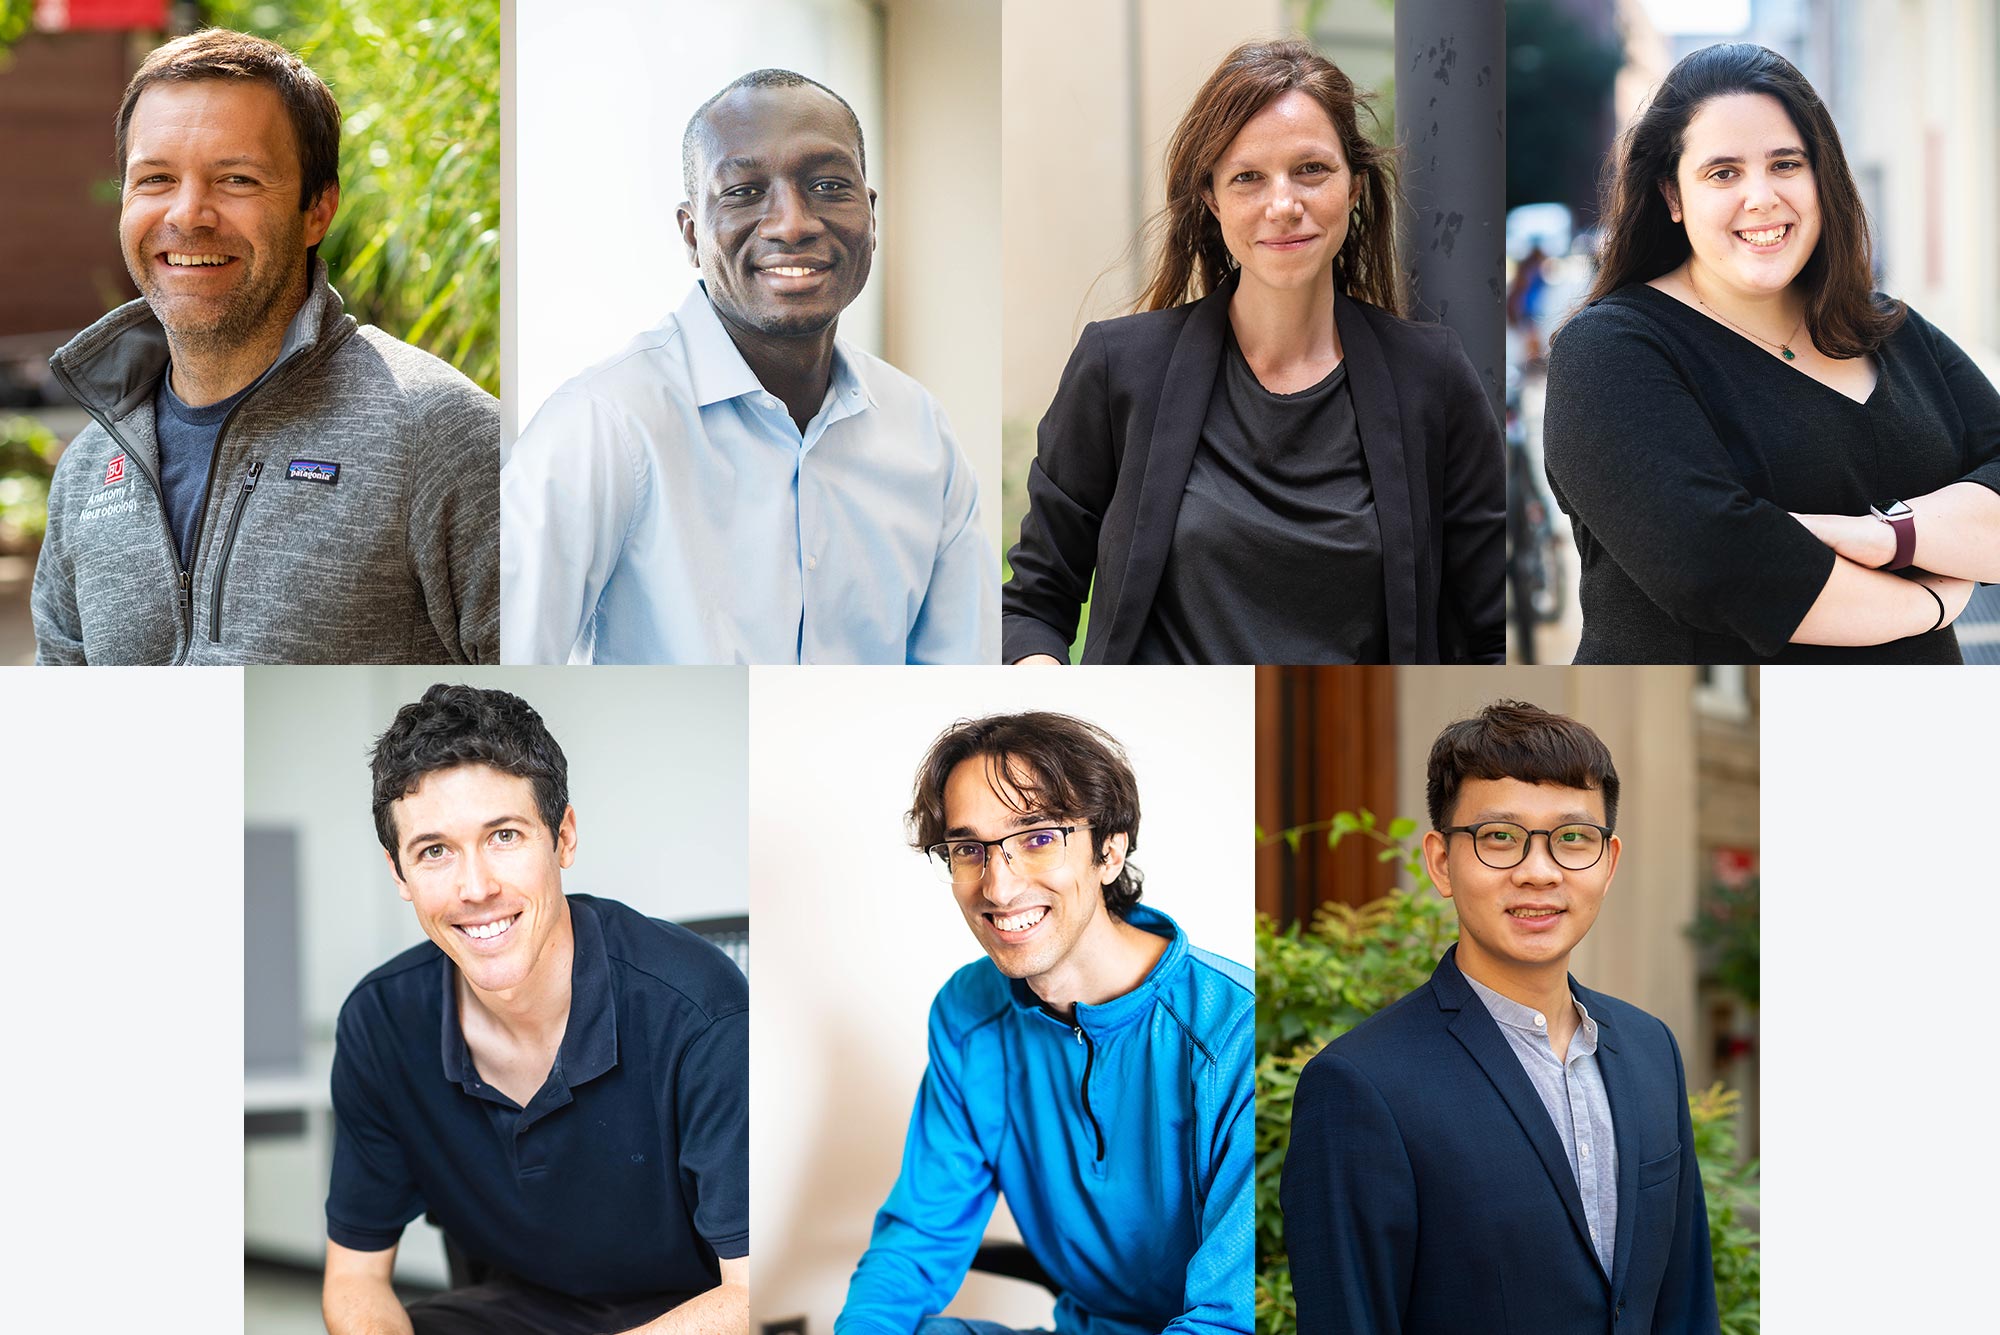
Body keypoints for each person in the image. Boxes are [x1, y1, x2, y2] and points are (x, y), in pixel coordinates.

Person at [1001, 39, 1504, 665]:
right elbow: (1032, 605)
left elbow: (1486, 637)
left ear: (1353, 187)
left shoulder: (1433, 377)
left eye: (1312, 170)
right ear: (1212, 200)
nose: (1283, 204)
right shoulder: (1119, 368)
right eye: (1248, 178)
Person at [32, 29, 497, 666]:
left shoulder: (439, 434)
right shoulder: (88, 469)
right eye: (156, 179)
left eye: (238, 180)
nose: (189, 214)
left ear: (318, 210)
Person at [501, 69, 997, 665]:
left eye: (827, 185)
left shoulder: (921, 432)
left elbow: (959, 674)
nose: (793, 223)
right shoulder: (602, 426)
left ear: (870, 214)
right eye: (743, 192)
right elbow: (517, 670)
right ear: (691, 235)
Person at [1543, 42, 2000, 663]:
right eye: (1722, 173)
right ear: (1672, 198)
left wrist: (1885, 537)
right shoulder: (1610, 351)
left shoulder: (1888, 327)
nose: (1760, 197)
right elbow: (1712, 563)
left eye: (1786, 163)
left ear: (1822, 179)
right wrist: (1931, 604)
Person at [1281, 701, 1718, 1335]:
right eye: (1500, 839)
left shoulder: (1651, 1048)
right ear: (1440, 863)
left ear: (1609, 862)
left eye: (1572, 839)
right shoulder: (1359, 1085)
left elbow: (1685, 1305)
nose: (1538, 873)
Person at [323, 685, 748, 1335]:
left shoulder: (701, 1014)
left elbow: (749, 1295)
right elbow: (355, 1278)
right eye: (434, 850)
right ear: (399, 873)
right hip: (516, 1311)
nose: (475, 888)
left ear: (564, 836)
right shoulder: (380, 1022)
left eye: (504, 835)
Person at [837, 713, 1253, 1335]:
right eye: (968, 849)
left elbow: (1230, 1317)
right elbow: (919, 1240)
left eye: (1036, 837)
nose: (999, 887)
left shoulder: (1233, 1031)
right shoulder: (968, 1013)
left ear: (1108, 850)